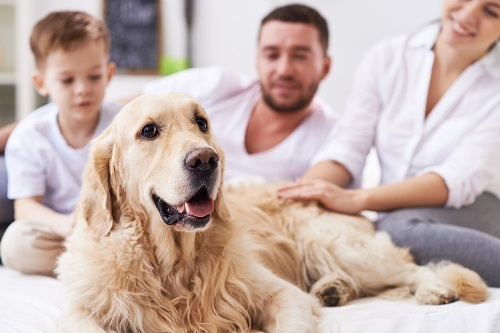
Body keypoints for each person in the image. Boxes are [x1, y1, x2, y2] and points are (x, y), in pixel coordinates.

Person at [279, 0, 500, 287]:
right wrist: (298, 198)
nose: (467, 15)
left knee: (394, 232)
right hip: (395, 212)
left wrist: (358, 199)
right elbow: (349, 145)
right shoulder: (388, 57)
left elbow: (456, 181)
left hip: (476, 206)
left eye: (491, 10)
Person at [138, 3, 336, 181]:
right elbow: (122, 114)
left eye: (300, 56)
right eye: (272, 55)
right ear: (258, 60)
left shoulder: (335, 137)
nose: (284, 69)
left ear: (325, 67)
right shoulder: (213, 85)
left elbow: (302, 204)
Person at [0, 11, 119, 275]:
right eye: (67, 80)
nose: (82, 89)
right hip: (63, 233)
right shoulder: (30, 135)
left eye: (94, 77)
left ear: (109, 74)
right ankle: (97, 269)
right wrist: (65, 224)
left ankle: (104, 266)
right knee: (15, 243)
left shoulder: (122, 124)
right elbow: (25, 206)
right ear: (41, 83)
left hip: (116, 229)